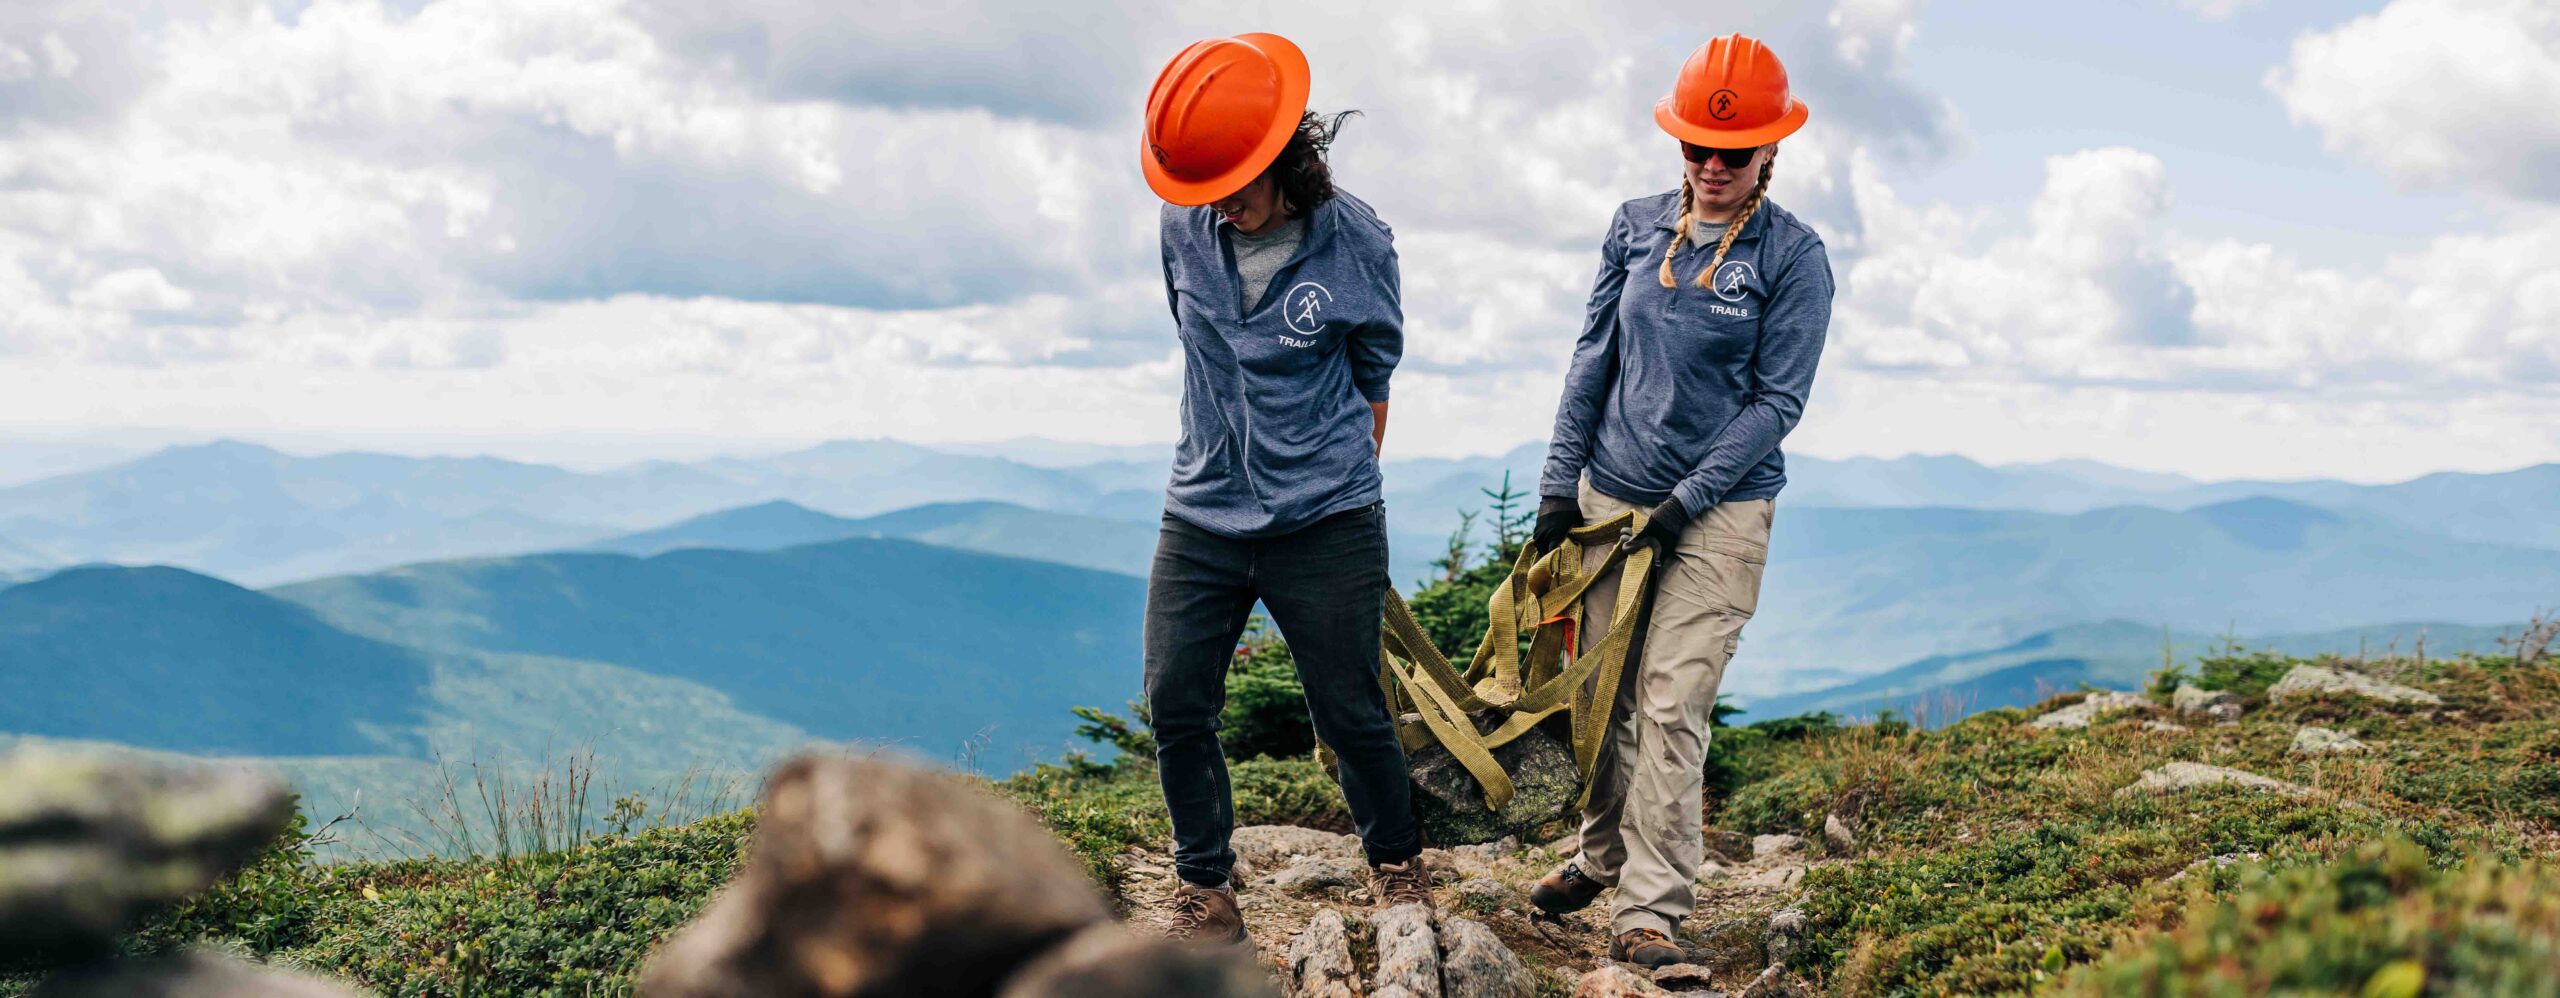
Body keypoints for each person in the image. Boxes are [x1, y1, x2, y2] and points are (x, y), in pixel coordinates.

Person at [1523, 34, 1834, 969]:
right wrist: (1555, 486)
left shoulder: (1794, 258)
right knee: (1604, 695)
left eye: (1731, 153)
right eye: (1695, 146)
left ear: (1770, 152)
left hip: (1722, 511)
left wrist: (1688, 499)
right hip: (1609, 494)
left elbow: (1777, 403)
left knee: (1670, 700)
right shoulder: (1632, 225)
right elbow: (1592, 361)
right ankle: (1599, 855)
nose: (1709, 165)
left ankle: (1649, 908)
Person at [1137, 31, 1430, 944]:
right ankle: (1207, 889)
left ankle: (1396, 866)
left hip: (1326, 516)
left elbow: (1375, 370)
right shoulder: (1183, 224)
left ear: (1286, 160)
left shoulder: (1358, 243)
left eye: (1239, 184)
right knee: (1176, 699)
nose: (1224, 205)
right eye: (1207, 191)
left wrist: (1333, 482)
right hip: (1204, 508)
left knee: (1349, 710)